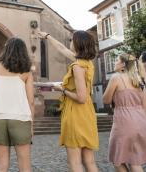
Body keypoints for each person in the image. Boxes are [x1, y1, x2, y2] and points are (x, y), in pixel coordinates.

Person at [37, 30, 99, 172]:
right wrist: (48, 36)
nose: (70, 42)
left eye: (72, 40)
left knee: (75, 162)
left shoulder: (77, 67)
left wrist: (62, 89)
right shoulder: (87, 63)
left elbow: (81, 98)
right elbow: (62, 49)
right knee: (89, 161)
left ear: (78, 44)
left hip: (75, 113)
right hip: (87, 113)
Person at [0, 37, 35, 172]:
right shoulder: (26, 72)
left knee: (2, 165)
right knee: (24, 164)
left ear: (5, 50)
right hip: (20, 119)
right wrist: (31, 124)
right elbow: (31, 101)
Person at [103, 54, 146, 172]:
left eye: (116, 60)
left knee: (117, 160)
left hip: (124, 122)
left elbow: (105, 100)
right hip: (141, 122)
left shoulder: (116, 77)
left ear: (123, 64)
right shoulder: (140, 80)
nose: (115, 63)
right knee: (135, 161)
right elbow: (145, 106)